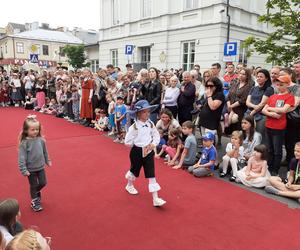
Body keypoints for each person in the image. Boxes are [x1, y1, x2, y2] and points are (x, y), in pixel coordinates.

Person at [124, 100, 166, 207]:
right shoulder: (134, 127)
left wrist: (153, 144)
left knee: (151, 174)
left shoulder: (151, 124)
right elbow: (127, 142)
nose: (147, 114)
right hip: (136, 152)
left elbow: (156, 135)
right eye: (144, 112)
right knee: (134, 171)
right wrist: (137, 144)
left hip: (149, 151)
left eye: (148, 111)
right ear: (138, 113)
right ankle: (129, 185)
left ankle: (155, 198)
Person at [262, 75, 295, 175]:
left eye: (281, 85)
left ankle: (275, 171)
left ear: (287, 85)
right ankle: (269, 168)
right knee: (270, 149)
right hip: (268, 125)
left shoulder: (289, 97)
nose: (279, 87)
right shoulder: (272, 96)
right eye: (277, 85)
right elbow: (263, 109)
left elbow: (284, 110)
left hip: (278, 128)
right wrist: (272, 113)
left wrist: (270, 109)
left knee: (277, 151)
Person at [18, 115, 52, 212]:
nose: (35, 131)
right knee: (33, 185)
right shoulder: (24, 143)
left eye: (37, 129)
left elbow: (45, 151)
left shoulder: (41, 140)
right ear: (26, 130)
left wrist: (47, 160)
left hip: (40, 166)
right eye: (33, 130)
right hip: (30, 169)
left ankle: (36, 192)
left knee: (43, 182)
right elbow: (21, 157)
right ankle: (34, 201)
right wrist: (23, 170)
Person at [246, 69, 274, 144]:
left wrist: (252, 113)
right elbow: (247, 102)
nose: (258, 78)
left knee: (260, 137)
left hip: (260, 116)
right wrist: (253, 107)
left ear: (266, 78)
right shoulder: (253, 88)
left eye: (261, 77)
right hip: (249, 113)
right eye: (257, 76)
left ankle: (262, 154)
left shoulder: (269, 89)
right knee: (250, 135)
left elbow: (262, 104)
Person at [198, 77, 225, 144]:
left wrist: (209, 96)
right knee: (205, 141)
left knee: (209, 142)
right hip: (203, 121)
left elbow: (213, 107)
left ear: (217, 86)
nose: (209, 88)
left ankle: (211, 154)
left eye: (211, 86)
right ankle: (205, 153)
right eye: (207, 86)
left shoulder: (220, 95)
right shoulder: (210, 93)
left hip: (211, 123)